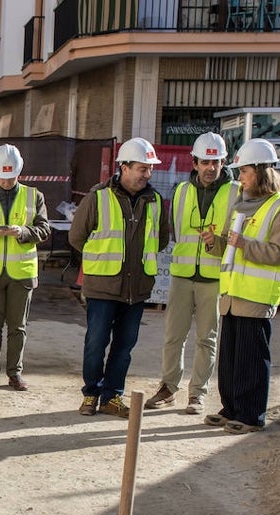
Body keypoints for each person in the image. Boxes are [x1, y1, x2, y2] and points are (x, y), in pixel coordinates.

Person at [70, 137, 171, 419]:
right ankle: (91, 393)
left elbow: (160, 240)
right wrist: (104, 258)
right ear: (124, 167)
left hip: (136, 288)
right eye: (142, 168)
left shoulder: (155, 202)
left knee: (124, 347)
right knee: (95, 343)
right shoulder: (98, 197)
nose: (147, 174)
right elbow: (76, 237)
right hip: (103, 286)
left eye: (150, 169)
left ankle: (112, 396)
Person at [200, 138, 280, 434]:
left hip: (256, 297)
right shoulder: (242, 203)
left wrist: (246, 244)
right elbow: (233, 248)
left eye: (244, 171)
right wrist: (215, 243)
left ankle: (251, 414)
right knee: (230, 359)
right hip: (231, 295)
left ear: (261, 172)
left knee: (251, 360)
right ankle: (231, 408)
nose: (239, 177)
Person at [145, 132, 237, 415]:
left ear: (223, 162)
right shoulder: (182, 191)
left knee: (206, 339)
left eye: (216, 162)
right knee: (174, 336)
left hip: (214, 277)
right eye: (205, 161)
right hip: (183, 275)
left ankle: (197, 394)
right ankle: (168, 387)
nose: (211, 168)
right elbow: (176, 230)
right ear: (194, 162)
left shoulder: (235, 192)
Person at [0, 144, 50, 391]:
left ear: (19, 172)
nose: (7, 182)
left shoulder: (34, 196)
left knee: (18, 327)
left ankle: (15, 373)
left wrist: (24, 232)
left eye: (11, 176)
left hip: (22, 273)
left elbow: (45, 229)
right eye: (3, 177)